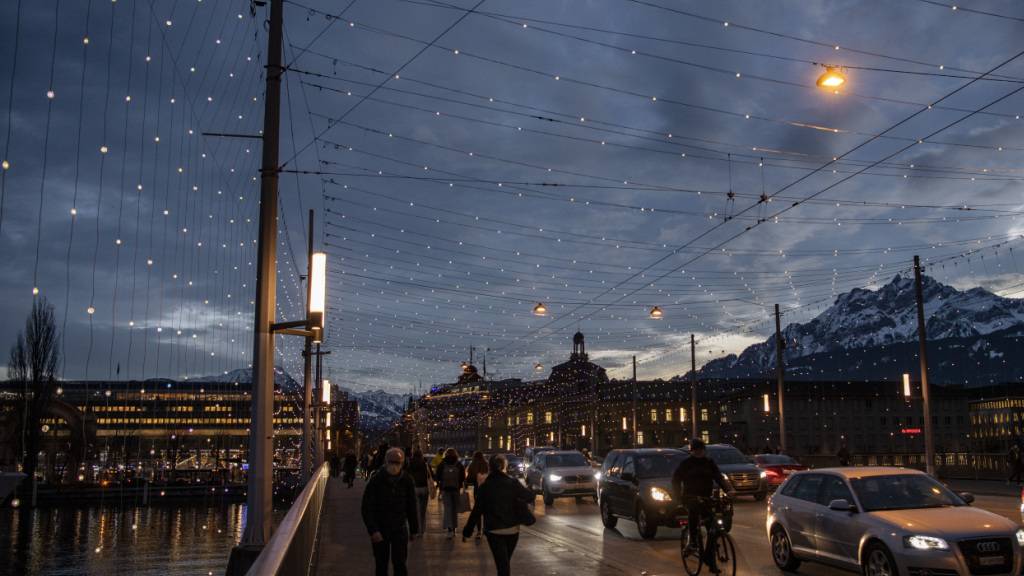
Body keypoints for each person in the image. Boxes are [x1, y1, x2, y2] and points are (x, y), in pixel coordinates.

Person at [463, 454, 535, 576]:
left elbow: (477, 511)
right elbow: (528, 496)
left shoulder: (485, 487)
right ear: (504, 466)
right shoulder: (513, 483)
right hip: (512, 530)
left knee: (502, 565)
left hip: (494, 531)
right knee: (505, 564)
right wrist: (530, 488)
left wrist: (467, 531)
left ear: (490, 467)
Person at [673, 439, 735, 569]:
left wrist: (728, 490)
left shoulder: (709, 463)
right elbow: (676, 480)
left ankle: (709, 559)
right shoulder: (686, 464)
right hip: (691, 497)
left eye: (701, 450)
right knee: (694, 512)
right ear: (692, 451)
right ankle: (693, 542)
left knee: (713, 528)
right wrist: (678, 497)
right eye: (696, 450)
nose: (699, 452)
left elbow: (718, 477)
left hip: (706, 497)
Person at [361, 447, 419, 576]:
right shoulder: (376, 480)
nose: (394, 465)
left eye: (397, 462)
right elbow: (367, 507)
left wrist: (414, 529)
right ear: (386, 462)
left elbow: (411, 506)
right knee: (381, 565)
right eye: (392, 462)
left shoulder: (407, 480)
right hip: (381, 528)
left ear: (402, 463)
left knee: (400, 564)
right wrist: (373, 530)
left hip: (399, 528)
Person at [435, 447, 465, 538]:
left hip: (446, 489)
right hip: (455, 489)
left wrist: (441, 484)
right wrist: (459, 484)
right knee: (454, 510)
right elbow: (463, 477)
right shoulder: (459, 464)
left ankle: (449, 530)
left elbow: (437, 476)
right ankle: (454, 528)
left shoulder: (442, 464)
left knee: (448, 509)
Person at [465, 451, 490, 540]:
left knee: (478, 510)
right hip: (487, 489)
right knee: (487, 510)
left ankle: (479, 531)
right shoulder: (486, 464)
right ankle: (487, 529)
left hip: (478, 489)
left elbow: (469, 478)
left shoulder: (473, 464)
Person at [407, 448, 432, 532]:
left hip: (414, 488)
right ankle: (422, 530)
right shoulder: (425, 463)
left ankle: (416, 529)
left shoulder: (410, 463)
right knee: (423, 511)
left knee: (416, 510)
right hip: (424, 488)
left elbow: (407, 475)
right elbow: (430, 475)